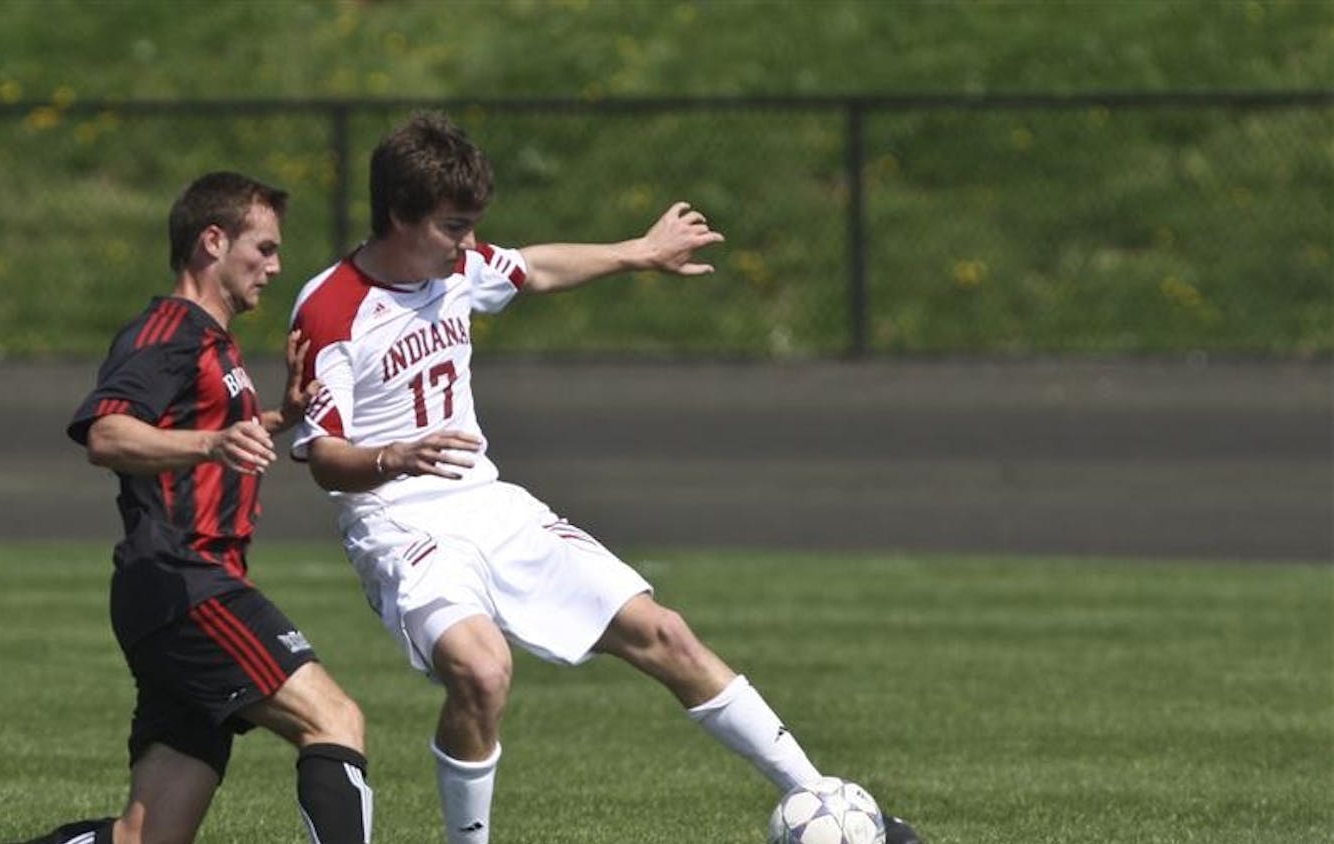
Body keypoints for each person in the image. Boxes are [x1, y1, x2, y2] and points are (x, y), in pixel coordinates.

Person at [287, 112, 922, 844]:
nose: (467, 244)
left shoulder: (455, 267)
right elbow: (323, 454)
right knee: (482, 670)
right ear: (401, 215)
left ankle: (829, 804)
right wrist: (391, 456)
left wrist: (639, 253)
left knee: (666, 633)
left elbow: (533, 268)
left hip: (488, 502)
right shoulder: (332, 307)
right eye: (454, 226)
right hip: (399, 521)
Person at [9, 172, 372, 844]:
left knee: (145, 839)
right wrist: (214, 439)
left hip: (172, 590)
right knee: (335, 721)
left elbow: (202, 436)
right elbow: (107, 433)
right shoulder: (170, 331)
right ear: (213, 240)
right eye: (262, 248)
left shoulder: (210, 341)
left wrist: (277, 418)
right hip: (187, 582)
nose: (275, 266)